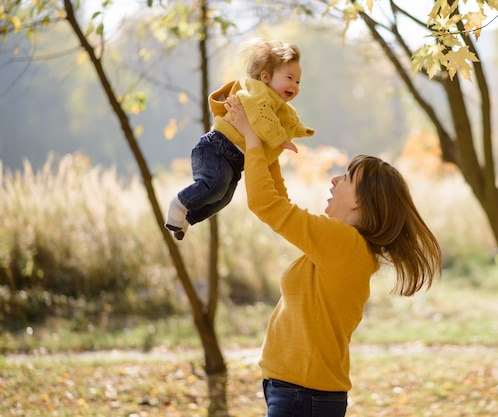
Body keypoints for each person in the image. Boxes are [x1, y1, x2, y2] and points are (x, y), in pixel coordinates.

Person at [224, 95, 443, 417]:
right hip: (298, 391)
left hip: (302, 394)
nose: (335, 179)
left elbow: (265, 204)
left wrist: (253, 141)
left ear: (360, 203)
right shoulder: (344, 246)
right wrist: (269, 150)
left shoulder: (342, 243)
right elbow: (277, 200)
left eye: (347, 178)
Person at [165, 38, 314, 240]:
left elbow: (290, 122)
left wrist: (302, 131)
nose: (295, 85)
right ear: (265, 76)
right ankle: (179, 203)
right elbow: (259, 115)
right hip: (217, 148)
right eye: (289, 77)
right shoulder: (257, 91)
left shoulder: (281, 109)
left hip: (234, 161)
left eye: (298, 81)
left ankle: (187, 217)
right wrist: (280, 139)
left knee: (223, 199)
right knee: (215, 187)